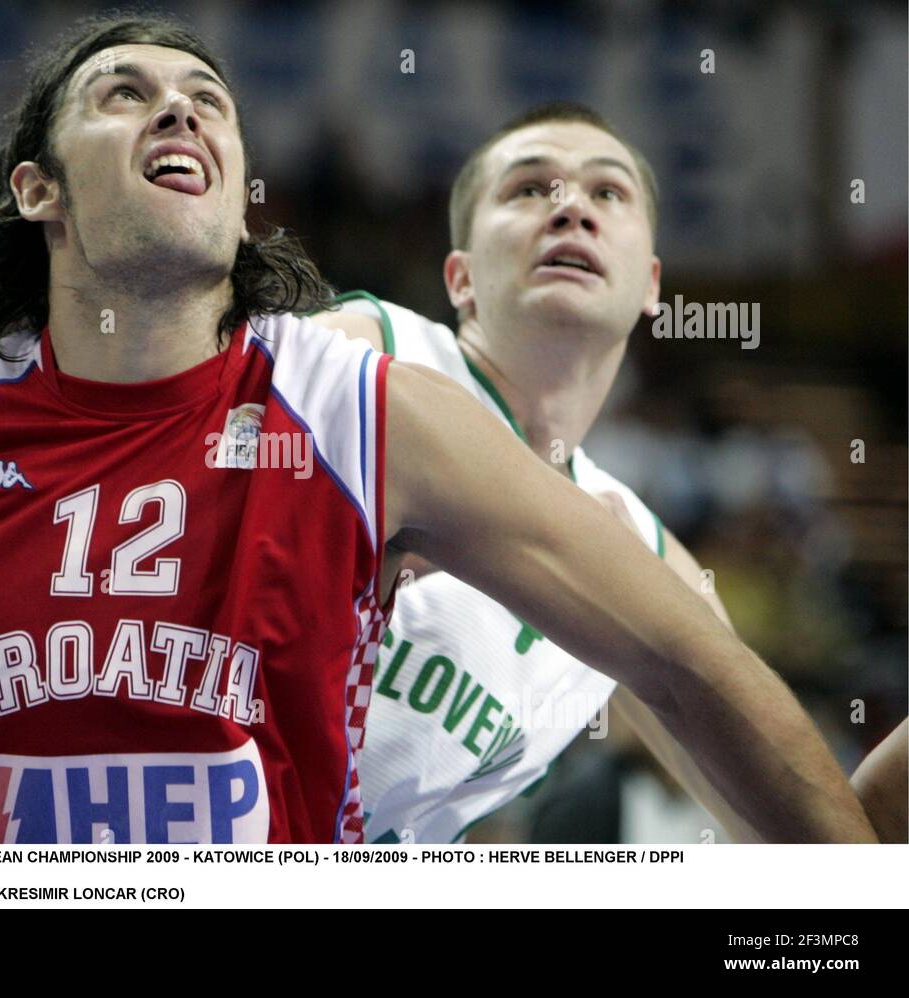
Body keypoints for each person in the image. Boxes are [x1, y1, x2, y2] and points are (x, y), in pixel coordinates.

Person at [0, 16, 876, 845]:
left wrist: (853, 893)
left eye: (208, 98)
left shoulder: (391, 429)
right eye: (125, 94)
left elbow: (699, 685)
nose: (179, 109)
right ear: (38, 187)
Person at [313, 103, 902, 843]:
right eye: (530, 189)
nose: (571, 211)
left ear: (653, 285)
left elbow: (811, 849)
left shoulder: (648, 558)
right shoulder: (361, 351)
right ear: (460, 278)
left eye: (608, 193)